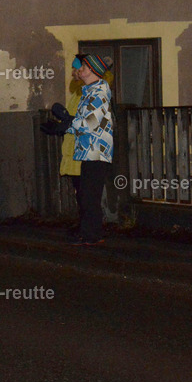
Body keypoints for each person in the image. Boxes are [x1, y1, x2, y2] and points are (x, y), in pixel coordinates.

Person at [63, 54, 114, 245]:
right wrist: (64, 127)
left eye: (84, 66)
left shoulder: (98, 93)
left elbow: (91, 124)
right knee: (86, 195)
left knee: (89, 196)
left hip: (96, 150)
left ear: (92, 71)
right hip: (88, 149)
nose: (80, 69)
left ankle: (92, 235)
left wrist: (69, 122)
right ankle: (89, 234)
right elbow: (85, 123)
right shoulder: (91, 91)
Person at [41, 55, 85, 237]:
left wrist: (64, 124)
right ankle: (84, 223)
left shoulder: (89, 93)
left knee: (85, 190)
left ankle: (89, 227)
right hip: (74, 146)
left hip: (84, 149)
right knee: (79, 189)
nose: (73, 73)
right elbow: (72, 118)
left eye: (77, 69)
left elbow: (84, 121)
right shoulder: (78, 92)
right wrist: (61, 124)